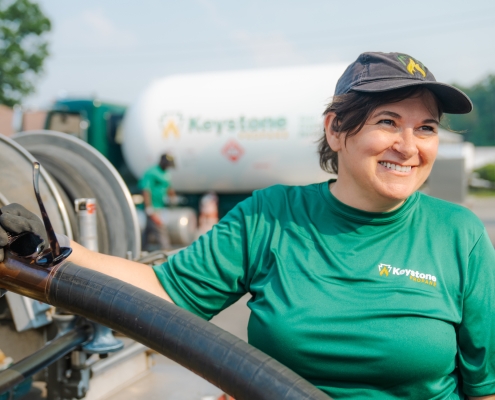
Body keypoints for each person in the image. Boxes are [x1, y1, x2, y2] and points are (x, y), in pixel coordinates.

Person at [1, 52, 494, 400]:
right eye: (388, 121)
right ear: (336, 129)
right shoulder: (270, 216)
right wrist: (47, 245)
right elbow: (161, 290)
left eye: (426, 127)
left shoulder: (458, 234)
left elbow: (484, 387)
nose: (409, 146)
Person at [139, 153, 177, 251]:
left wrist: (173, 198)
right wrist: (149, 208)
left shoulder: (166, 173)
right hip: (153, 207)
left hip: (160, 206)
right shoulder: (151, 172)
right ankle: (166, 250)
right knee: (160, 228)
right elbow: (146, 190)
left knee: (148, 231)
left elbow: (168, 187)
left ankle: (141, 249)